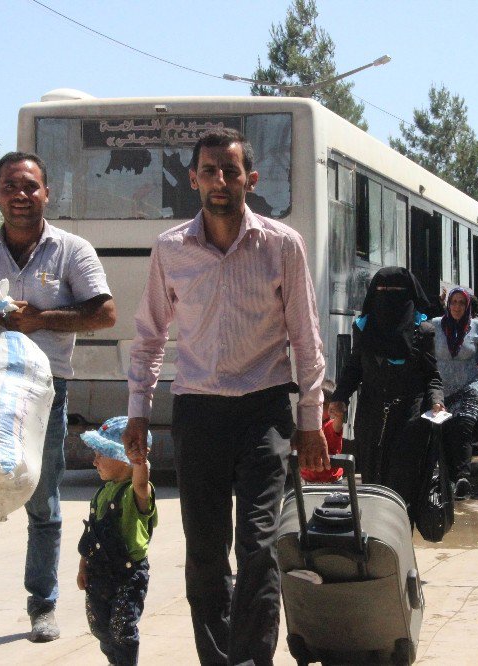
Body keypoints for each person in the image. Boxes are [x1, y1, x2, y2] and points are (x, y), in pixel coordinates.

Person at [123, 128, 327, 666]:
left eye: (230, 171)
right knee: (207, 556)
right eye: (209, 171)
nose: (220, 181)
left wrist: (310, 420)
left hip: (264, 413)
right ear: (193, 180)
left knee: (260, 548)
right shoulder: (171, 249)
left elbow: (305, 336)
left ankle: (250, 661)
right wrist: (138, 413)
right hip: (198, 413)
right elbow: (149, 337)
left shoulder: (282, 245)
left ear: (250, 180)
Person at [0, 152, 116, 654]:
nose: (21, 195)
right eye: (10, 186)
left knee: (43, 501)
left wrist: (43, 319)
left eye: (31, 186)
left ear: (46, 194)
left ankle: (43, 605)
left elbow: (104, 313)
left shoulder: (71, 250)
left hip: (43, 396)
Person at [330, 267, 444, 520]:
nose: (388, 299)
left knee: (400, 487)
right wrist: (340, 396)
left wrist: (437, 402)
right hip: (370, 419)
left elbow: (432, 375)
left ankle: (400, 540)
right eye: (382, 291)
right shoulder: (363, 328)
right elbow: (354, 367)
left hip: (409, 420)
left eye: (396, 292)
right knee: (371, 483)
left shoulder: (422, 331)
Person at [77, 417, 158, 666]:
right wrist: (83, 566)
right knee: (100, 626)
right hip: (99, 573)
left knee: (122, 628)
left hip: (128, 575)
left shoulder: (136, 492)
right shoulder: (101, 493)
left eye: (101, 454)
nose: (95, 461)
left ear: (122, 458)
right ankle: (114, 659)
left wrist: (139, 461)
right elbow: (93, 533)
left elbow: (141, 481)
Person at [432, 286, 478, 500]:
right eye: (453, 302)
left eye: (461, 303)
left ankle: (462, 477)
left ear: (467, 305)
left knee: (463, 427)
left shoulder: (477, 328)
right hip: (440, 391)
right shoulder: (434, 326)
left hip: (469, 387)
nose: (457, 307)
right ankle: (447, 477)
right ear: (447, 305)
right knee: (445, 432)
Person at [300, 390, 345, 484]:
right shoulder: (308, 425)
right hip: (308, 480)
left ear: (330, 408)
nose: (316, 409)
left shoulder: (331, 425)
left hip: (331, 481)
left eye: (321, 405)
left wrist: (339, 415)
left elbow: (338, 424)